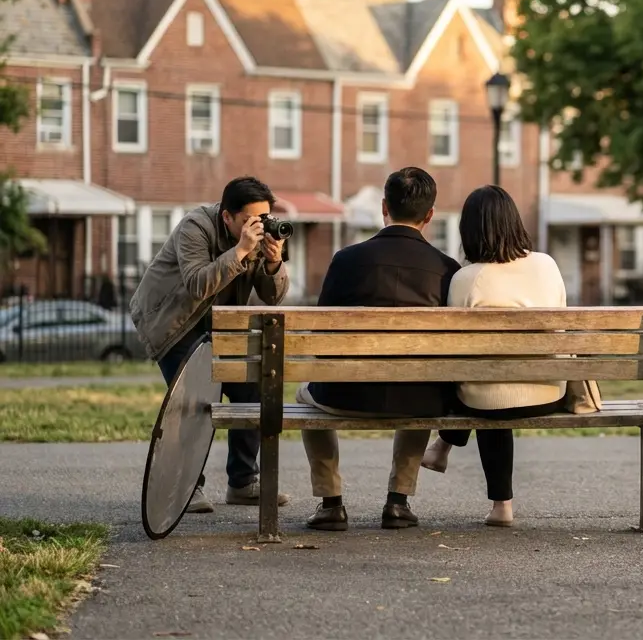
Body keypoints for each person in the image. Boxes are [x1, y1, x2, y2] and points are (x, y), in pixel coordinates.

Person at [298, 167, 461, 532]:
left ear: (384, 207)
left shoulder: (346, 260)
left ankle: (330, 502)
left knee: (302, 392)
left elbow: (320, 332)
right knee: (421, 379)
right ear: (430, 214)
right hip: (417, 399)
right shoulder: (445, 269)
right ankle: (398, 501)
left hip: (346, 392)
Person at [129, 176, 291, 514]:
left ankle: (243, 482)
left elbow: (272, 296)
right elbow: (197, 285)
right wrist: (242, 251)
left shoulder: (255, 237)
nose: (258, 227)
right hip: (171, 322)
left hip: (217, 326)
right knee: (196, 398)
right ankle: (187, 488)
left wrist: (274, 264)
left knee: (253, 387)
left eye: (263, 218)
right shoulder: (195, 227)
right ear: (227, 217)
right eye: (250, 220)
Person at [420, 185, 567, 527]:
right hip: (548, 392)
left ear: (468, 231)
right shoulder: (546, 265)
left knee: (488, 386)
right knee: (494, 381)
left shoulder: (465, 279)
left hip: (485, 399)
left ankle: (498, 502)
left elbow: (455, 348)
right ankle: (444, 452)